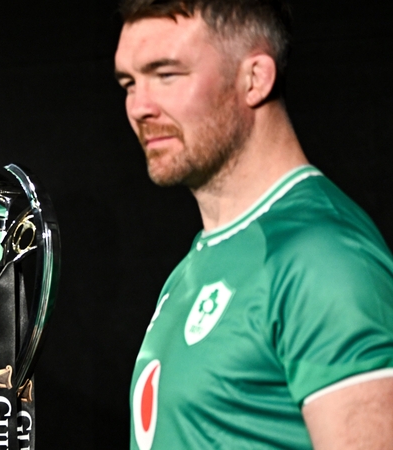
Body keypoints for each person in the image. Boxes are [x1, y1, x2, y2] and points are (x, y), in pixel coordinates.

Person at [114, 0, 393, 448]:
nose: (139, 107)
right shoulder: (195, 265)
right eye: (129, 83)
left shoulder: (326, 259)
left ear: (255, 78)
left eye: (166, 75)